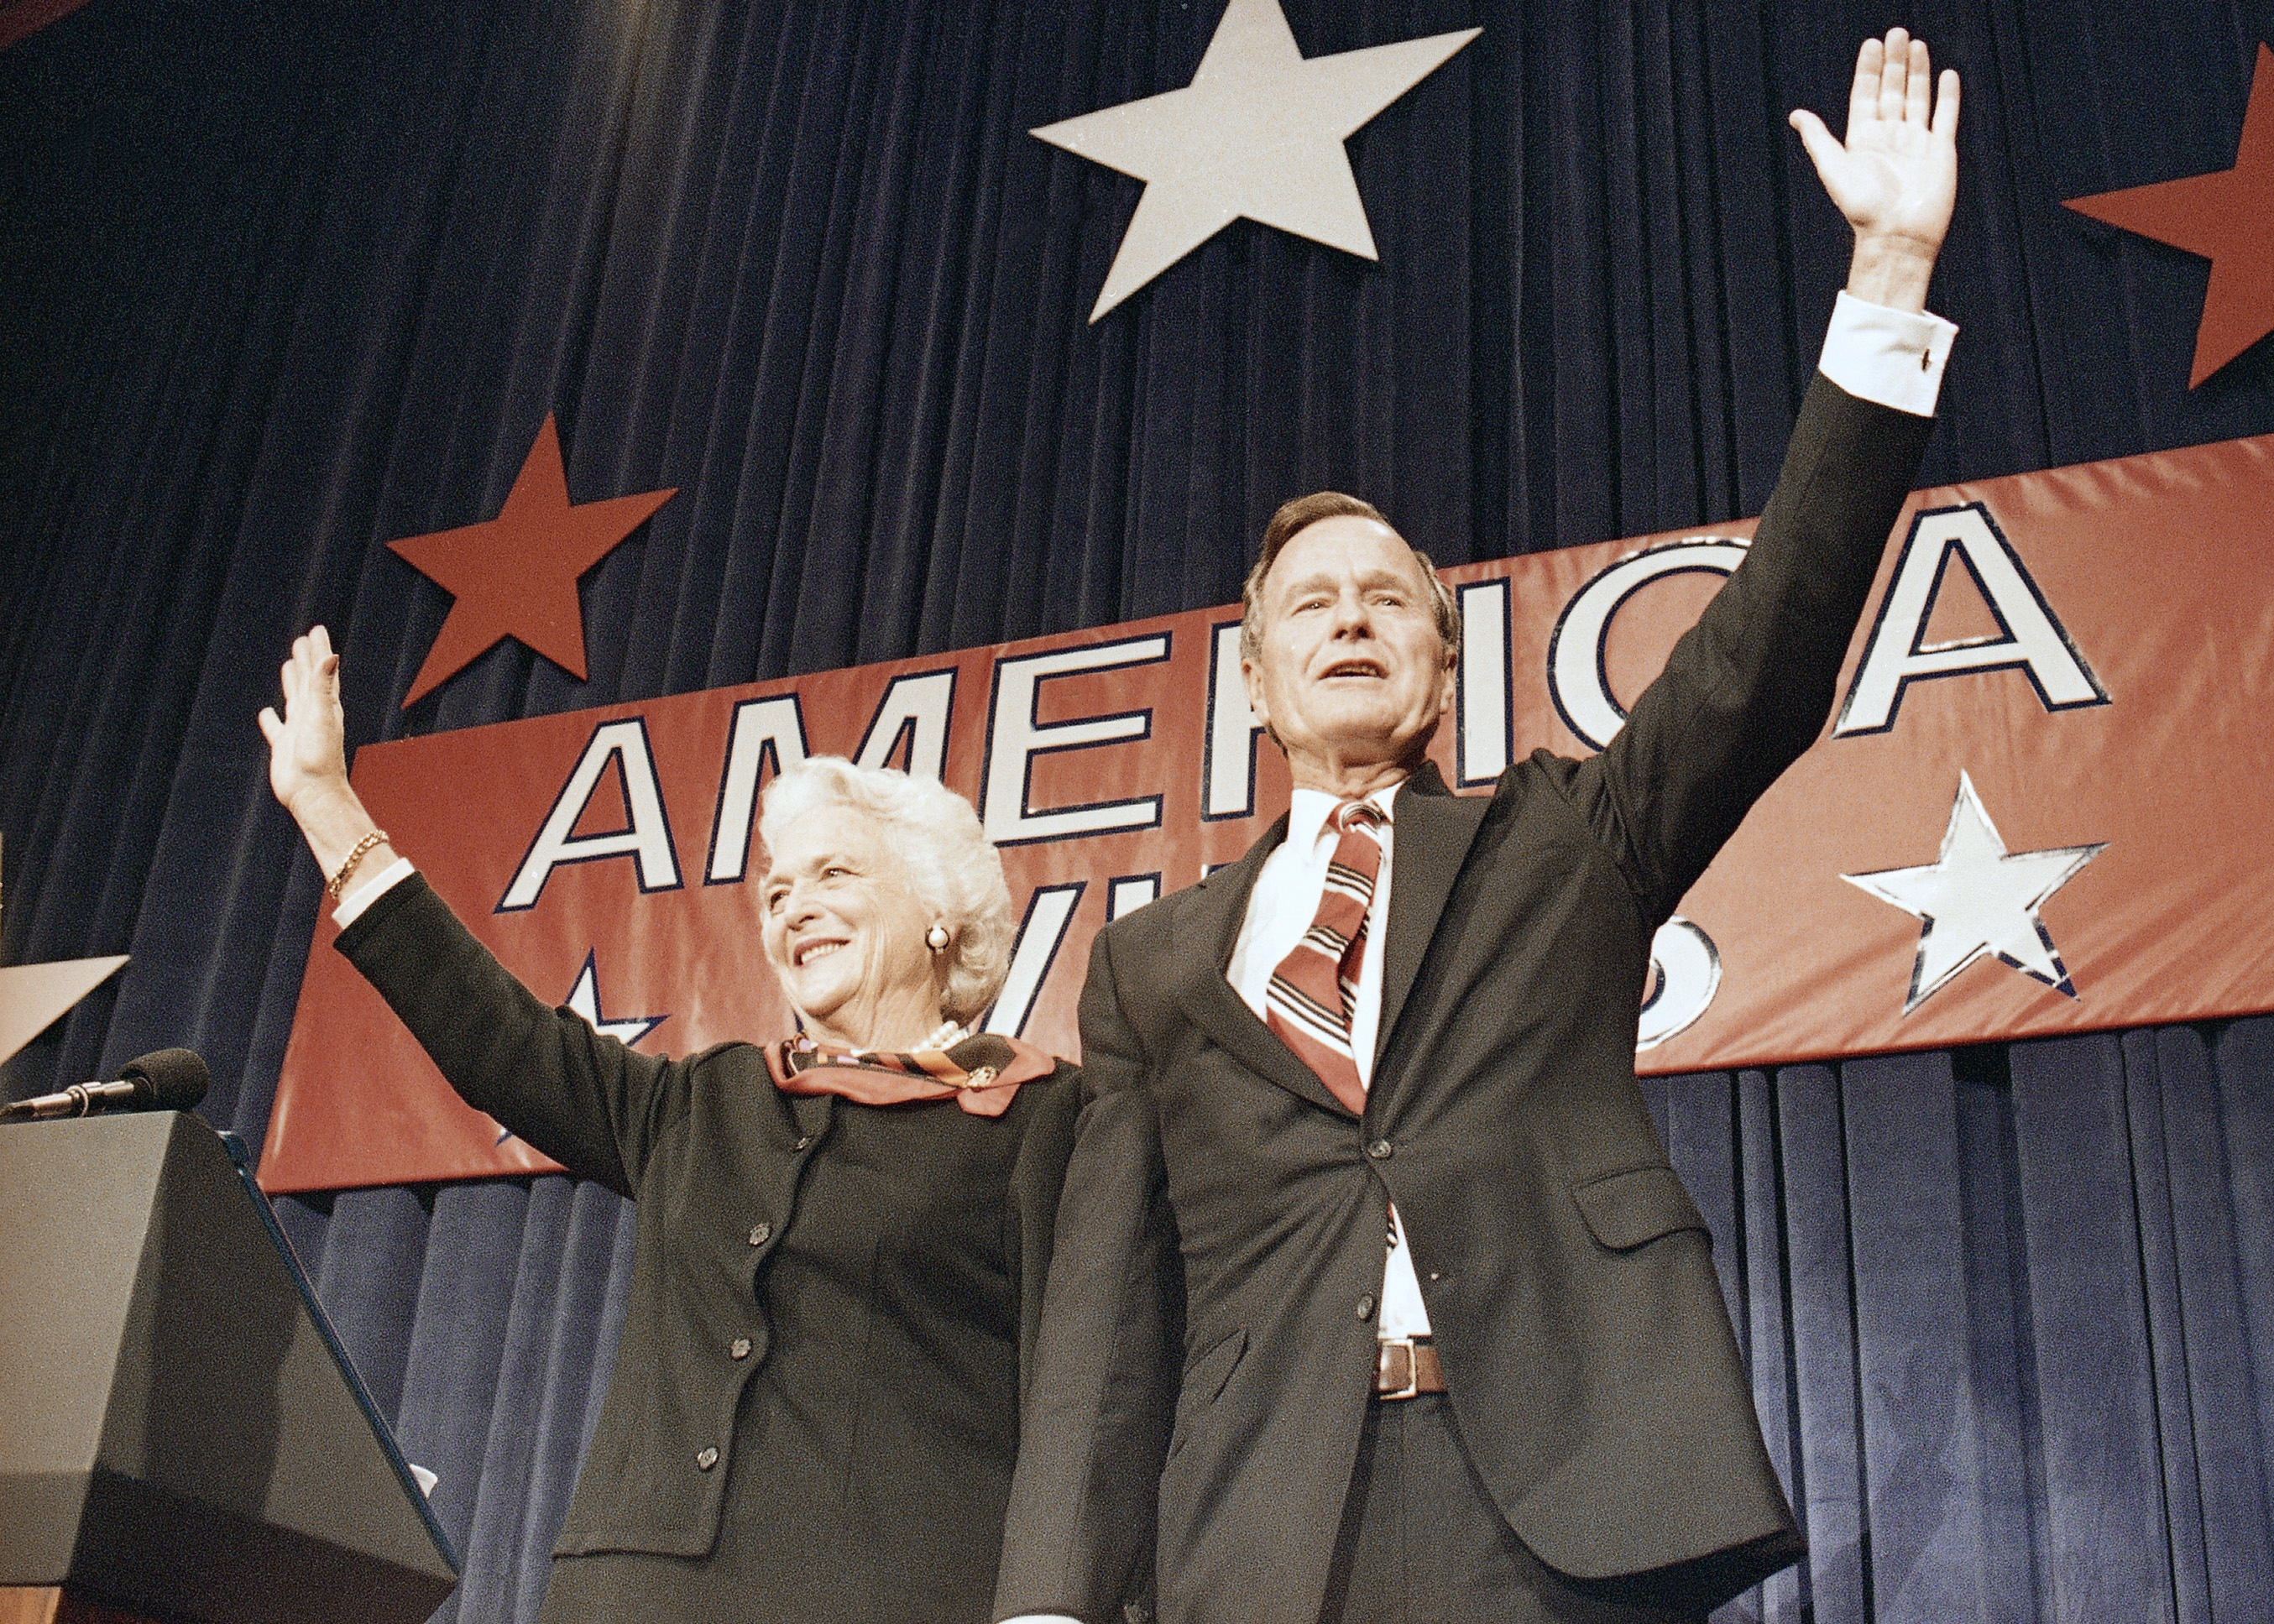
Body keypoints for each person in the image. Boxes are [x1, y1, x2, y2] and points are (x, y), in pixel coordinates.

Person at [991, 29, 1961, 1624]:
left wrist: (1889, 284)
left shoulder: (1561, 844)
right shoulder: (1152, 967)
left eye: (1389, 599)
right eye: (1312, 605)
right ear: (1253, 682)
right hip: (1264, 1529)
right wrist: (1049, 1603)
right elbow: (1105, 1312)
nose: (1351, 619)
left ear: (1446, 665)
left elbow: (1764, 652)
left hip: (1558, 1500)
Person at [259, 626, 1080, 1624]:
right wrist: (326, 804)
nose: (794, 909)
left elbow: (1085, 1395)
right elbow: (494, 1037)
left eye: (835, 877)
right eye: (777, 892)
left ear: (941, 912)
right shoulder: (702, 1106)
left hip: (895, 1592)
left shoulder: (1043, 1117)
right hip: (633, 1597)